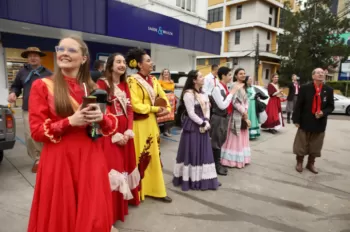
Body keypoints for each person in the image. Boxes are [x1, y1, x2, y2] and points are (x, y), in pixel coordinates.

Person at [27, 36, 119, 232]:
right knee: (61, 213)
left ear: (84, 58)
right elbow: (36, 131)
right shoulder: (42, 85)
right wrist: (69, 122)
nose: (64, 53)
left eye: (71, 50)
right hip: (59, 160)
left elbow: (110, 125)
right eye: (61, 49)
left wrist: (100, 118)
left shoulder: (93, 88)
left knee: (91, 212)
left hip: (90, 158)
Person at [97, 53, 140, 224]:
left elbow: (129, 110)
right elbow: (101, 111)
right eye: (118, 62)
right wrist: (114, 133)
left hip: (125, 132)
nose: (122, 65)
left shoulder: (124, 84)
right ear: (110, 64)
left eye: (123, 62)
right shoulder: (102, 83)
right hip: (109, 133)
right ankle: (112, 210)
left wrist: (129, 130)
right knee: (114, 168)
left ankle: (126, 201)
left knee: (127, 165)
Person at [126, 48, 172, 203]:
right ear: (139, 64)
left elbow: (163, 98)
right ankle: (138, 192)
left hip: (152, 123)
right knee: (140, 157)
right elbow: (135, 104)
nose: (151, 63)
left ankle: (157, 189)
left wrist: (167, 109)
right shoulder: (132, 80)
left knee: (154, 155)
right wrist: (155, 109)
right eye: (148, 60)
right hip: (139, 125)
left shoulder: (153, 80)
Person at [172, 70, 220, 191]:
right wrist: (203, 122)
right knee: (193, 151)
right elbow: (191, 113)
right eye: (200, 76)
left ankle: (206, 178)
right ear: (194, 80)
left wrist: (207, 120)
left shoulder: (203, 93)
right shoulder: (188, 94)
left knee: (204, 152)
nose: (203, 78)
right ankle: (192, 179)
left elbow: (207, 108)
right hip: (194, 125)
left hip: (204, 123)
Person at [7, 47, 52, 173]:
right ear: (27, 58)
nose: (33, 57)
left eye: (35, 55)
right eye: (30, 55)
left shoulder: (48, 73)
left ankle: (45, 157)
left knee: (44, 133)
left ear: (40, 57)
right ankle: (37, 158)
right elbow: (16, 86)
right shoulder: (22, 72)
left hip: (45, 109)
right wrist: (13, 93)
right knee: (30, 135)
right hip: (28, 108)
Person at [292, 68, 334, 174]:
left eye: (322, 73)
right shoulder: (305, 88)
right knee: (301, 144)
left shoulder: (328, 90)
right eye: (318, 73)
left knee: (316, 145)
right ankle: (299, 162)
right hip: (305, 121)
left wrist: (323, 113)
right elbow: (299, 105)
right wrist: (296, 119)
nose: (321, 74)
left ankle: (311, 163)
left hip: (320, 122)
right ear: (313, 76)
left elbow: (330, 106)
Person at [210, 66, 243, 175]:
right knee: (216, 142)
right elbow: (222, 105)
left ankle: (217, 164)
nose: (230, 77)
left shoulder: (225, 88)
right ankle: (216, 165)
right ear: (223, 76)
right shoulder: (216, 89)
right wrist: (232, 93)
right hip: (218, 118)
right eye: (229, 75)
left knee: (220, 141)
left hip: (224, 118)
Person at [221, 68, 251, 169]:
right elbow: (234, 102)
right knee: (235, 137)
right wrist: (243, 111)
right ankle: (231, 160)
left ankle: (242, 158)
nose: (243, 75)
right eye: (240, 73)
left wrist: (246, 110)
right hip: (236, 115)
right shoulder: (234, 85)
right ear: (236, 76)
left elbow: (246, 100)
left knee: (242, 137)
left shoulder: (244, 86)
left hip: (244, 114)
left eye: (244, 73)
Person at [158, 68, 175, 137]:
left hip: (171, 100)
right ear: (162, 74)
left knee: (170, 116)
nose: (166, 74)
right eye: (164, 72)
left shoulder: (171, 81)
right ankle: (163, 131)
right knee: (164, 115)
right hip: (164, 99)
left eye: (167, 72)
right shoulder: (160, 81)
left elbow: (173, 90)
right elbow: (160, 90)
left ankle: (167, 130)